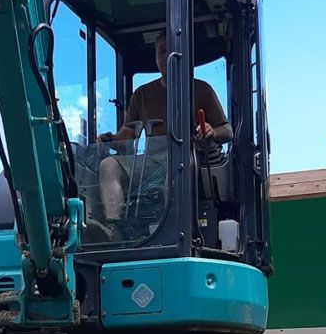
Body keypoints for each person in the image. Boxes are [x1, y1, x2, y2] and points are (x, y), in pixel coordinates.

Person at [98, 32, 232, 220]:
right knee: (109, 165)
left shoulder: (201, 90)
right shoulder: (141, 95)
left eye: (171, 50)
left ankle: (172, 230)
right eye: (161, 51)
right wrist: (109, 140)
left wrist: (211, 130)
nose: (166, 56)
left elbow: (227, 131)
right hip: (152, 162)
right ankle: (113, 229)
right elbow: (127, 136)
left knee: (176, 166)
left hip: (190, 159)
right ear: (156, 57)